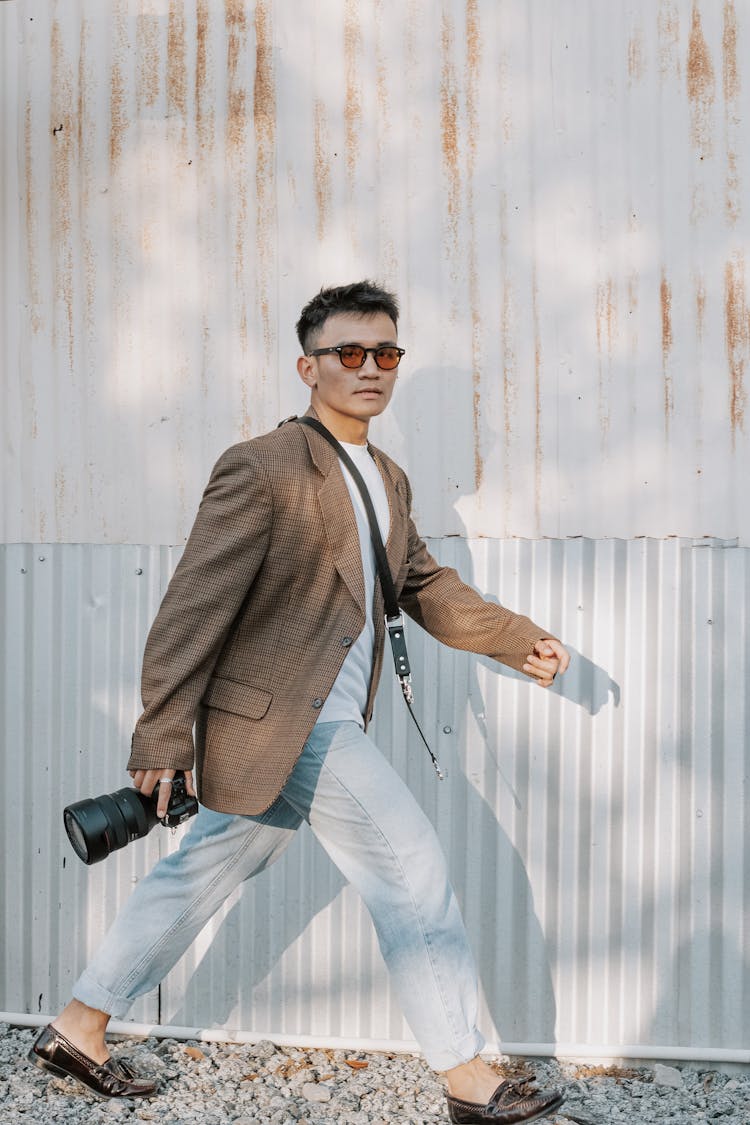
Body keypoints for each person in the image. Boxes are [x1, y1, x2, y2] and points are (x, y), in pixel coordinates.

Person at [30, 281, 570, 1123]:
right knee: (411, 865)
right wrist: (164, 732)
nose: (370, 368)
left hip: (300, 731)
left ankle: (78, 1024)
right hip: (294, 722)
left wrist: (514, 636)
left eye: (385, 353)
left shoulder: (384, 475)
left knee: (199, 871)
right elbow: (192, 604)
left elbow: (420, 582)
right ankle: (466, 1075)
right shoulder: (265, 464)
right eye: (348, 353)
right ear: (307, 366)